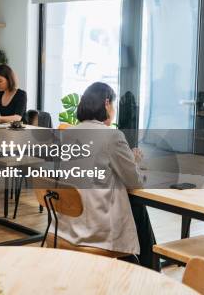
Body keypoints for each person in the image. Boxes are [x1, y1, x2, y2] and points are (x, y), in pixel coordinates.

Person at [58, 82, 155, 267]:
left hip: (67, 224)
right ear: (107, 104)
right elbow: (135, 182)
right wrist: (134, 162)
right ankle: (150, 273)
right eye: (114, 105)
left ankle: (148, 271)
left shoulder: (68, 133)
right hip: (97, 228)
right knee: (138, 207)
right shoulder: (112, 136)